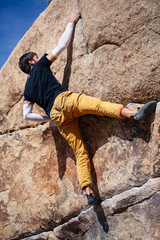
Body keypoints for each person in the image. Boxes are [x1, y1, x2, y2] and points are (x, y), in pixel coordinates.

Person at [19, 11, 157, 205]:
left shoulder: (27, 89)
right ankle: (134, 114)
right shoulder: (40, 66)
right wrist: (70, 23)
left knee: (80, 151)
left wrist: (48, 118)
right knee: (99, 106)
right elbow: (61, 45)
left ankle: (88, 191)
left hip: (57, 117)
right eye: (35, 56)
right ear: (32, 62)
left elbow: (26, 115)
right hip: (64, 101)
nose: (39, 56)